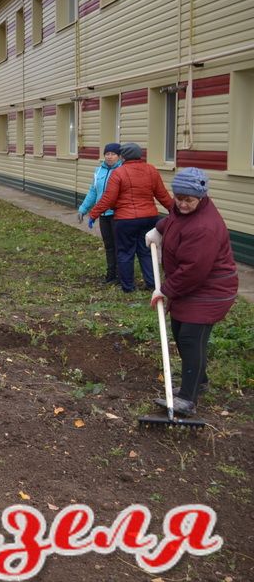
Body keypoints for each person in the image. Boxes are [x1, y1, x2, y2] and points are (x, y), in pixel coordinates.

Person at [145, 168, 238, 417]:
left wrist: (165, 290)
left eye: (189, 200)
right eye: (179, 198)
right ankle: (199, 381)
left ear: (202, 197)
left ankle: (187, 399)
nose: (182, 204)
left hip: (210, 289)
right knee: (179, 331)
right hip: (191, 286)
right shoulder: (187, 207)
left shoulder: (204, 228)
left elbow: (194, 271)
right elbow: (175, 216)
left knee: (190, 338)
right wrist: (160, 228)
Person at [88, 142, 173, 293]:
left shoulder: (119, 173)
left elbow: (109, 198)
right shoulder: (151, 170)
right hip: (149, 218)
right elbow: (162, 195)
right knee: (145, 251)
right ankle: (152, 284)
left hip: (125, 220)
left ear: (123, 156)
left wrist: (94, 213)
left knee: (125, 252)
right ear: (140, 155)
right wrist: (175, 211)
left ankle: (128, 287)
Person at [77, 142, 123, 284]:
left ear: (119, 156)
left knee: (119, 246)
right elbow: (93, 191)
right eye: (107, 154)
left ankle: (121, 276)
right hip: (103, 215)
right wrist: (83, 209)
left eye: (113, 154)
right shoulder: (99, 171)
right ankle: (110, 275)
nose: (109, 157)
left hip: (117, 214)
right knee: (109, 246)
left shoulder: (123, 171)